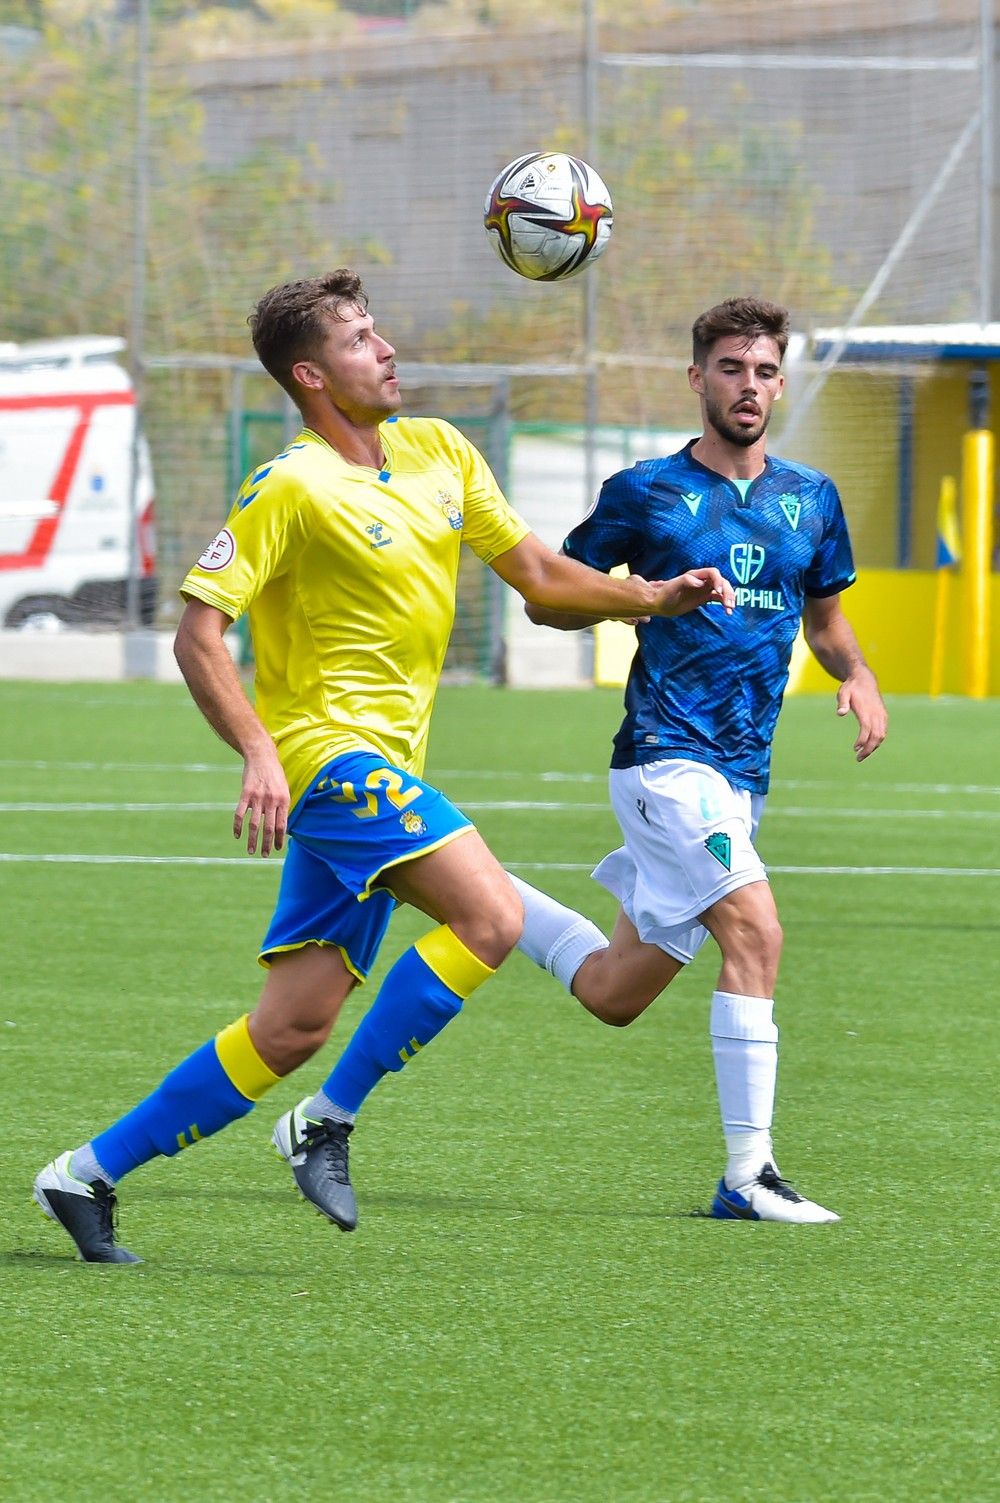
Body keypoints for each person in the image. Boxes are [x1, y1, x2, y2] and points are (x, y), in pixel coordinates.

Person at [32, 269, 734, 1263]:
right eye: (361, 339)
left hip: (380, 769)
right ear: (313, 374)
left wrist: (650, 599)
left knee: (292, 1027)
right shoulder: (290, 485)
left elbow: (536, 576)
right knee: (486, 917)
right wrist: (260, 752)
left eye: (379, 331)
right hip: (330, 761)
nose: (387, 348)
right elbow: (198, 634)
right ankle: (326, 1122)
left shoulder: (440, 452)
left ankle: (84, 1174)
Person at [507, 294, 888, 1223]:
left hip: (740, 780)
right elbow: (548, 601)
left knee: (614, 990)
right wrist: (647, 596)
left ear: (780, 382)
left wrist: (861, 674)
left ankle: (482, 891)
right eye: (730, 369)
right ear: (696, 379)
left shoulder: (811, 498)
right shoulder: (645, 492)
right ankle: (747, 1175)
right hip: (664, 761)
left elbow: (826, 620)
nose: (748, 387)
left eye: (763, 371)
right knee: (756, 932)